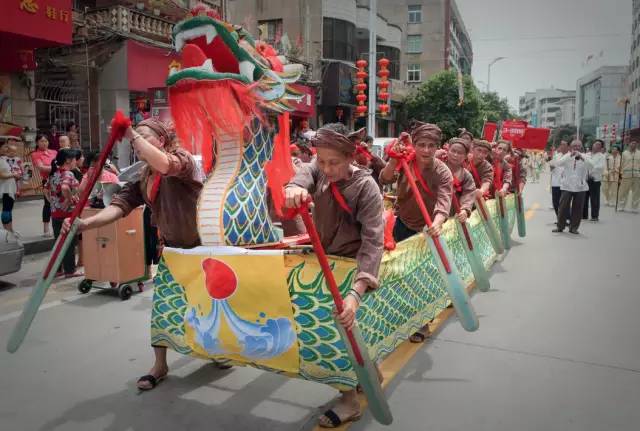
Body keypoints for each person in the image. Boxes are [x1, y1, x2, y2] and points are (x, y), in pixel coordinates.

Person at [61, 117, 218, 391]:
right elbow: (120, 206)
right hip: (171, 251)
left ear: (161, 140)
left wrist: (131, 132)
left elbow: (166, 165)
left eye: (144, 137)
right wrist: (85, 224)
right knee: (163, 309)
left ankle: (218, 350)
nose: (137, 143)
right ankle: (160, 365)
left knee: (211, 307)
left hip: (204, 249)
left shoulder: (184, 160)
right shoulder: (143, 175)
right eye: (135, 139)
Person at [284, 123, 384, 428]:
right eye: (323, 161)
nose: (327, 169)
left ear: (350, 157)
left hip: (353, 269)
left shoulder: (367, 188)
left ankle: (349, 401)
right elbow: (306, 171)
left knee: (342, 334)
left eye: (334, 163)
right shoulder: (320, 169)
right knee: (341, 334)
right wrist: (294, 186)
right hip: (325, 263)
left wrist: (356, 292)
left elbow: (373, 240)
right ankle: (367, 377)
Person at [380, 122, 453, 243]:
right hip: (402, 223)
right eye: (421, 145)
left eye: (431, 146)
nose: (426, 150)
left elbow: (444, 202)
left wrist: (438, 222)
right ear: (414, 145)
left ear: (437, 147)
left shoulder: (443, 172)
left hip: (429, 228)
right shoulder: (405, 160)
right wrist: (393, 160)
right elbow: (385, 179)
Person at [48, 149, 83, 277]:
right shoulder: (68, 173)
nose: (76, 161)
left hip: (55, 212)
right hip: (67, 214)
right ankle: (70, 270)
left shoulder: (53, 173)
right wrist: (70, 199)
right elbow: (64, 187)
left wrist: (54, 203)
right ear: (68, 160)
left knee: (58, 241)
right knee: (69, 242)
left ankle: (57, 269)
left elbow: (46, 190)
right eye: (74, 159)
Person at [552, 140, 592, 234]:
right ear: (571, 147)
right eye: (574, 146)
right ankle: (560, 226)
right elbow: (558, 163)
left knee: (578, 208)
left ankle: (574, 228)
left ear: (581, 147)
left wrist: (582, 157)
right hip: (567, 186)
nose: (576, 148)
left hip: (580, 187)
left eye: (578, 146)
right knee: (562, 207)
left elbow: (591, 165)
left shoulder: (586, 156)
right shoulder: (567, 156)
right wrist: (569, 156)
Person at [30, 134, 57, 237]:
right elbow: (41, 168)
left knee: (59, 203)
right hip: (47, 181)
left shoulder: (54, 152)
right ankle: (46, 229)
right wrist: (56, 167)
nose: (44, 143)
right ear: (37, 142)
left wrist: (54, 167)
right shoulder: (35, 154)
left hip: (59, 179)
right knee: (48, 204)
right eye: (41, 141)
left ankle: (57, 226)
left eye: (46, 141)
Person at [445, 138, 477, 223]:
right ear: (448, 151)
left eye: (460, 153)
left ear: (466, 155)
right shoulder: (437, 167)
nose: (455, 155)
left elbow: (469, 193)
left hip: (452, 215)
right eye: (453, 151)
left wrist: (465, 209)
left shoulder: (467, 176)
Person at [0, 139, 22, 232]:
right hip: (5, 188)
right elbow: (2, 175)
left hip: (10, 187)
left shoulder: (4, 159)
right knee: (6, 208)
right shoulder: (1, 160)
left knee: (9, 208)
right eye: (5, 146)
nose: (7, 148)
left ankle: (10, 228)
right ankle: (6, 230)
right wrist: (14, 175)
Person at [583, 140, 605, 221]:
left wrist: (591, 173)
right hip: (585, 179)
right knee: (584, 198)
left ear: (601, 147)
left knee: (594, 198)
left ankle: (594, 216)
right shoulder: (587, 154)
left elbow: (600, 167)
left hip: (594, 179)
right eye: (595, 144)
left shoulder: (601, 156)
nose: (596, 146)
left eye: (599, 145)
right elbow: (584, 164)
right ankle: (584, 215)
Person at [618, 140, 640, 212]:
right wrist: (620, 174)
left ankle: (634, 207)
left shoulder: (639, 153)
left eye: (635, 143)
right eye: (632, 143)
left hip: (637, 175)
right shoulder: (624, 153)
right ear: (629, 144)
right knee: (623, 191)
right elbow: (621, 164)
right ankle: (621, 206)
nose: (634, 145)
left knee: (636, 192)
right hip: (626, 175)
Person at [550, 140, 569, 215]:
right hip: (556, 182)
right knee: (556, 202)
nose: (562, 146)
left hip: (566, 184)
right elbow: (552, 168)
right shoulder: (556, 156)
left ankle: (566, 218)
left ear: (568, 146)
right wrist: (551, 165)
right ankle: (559, 218)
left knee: (565, 203)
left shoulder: (570, 156)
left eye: (564, 144)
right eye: (561, 144)